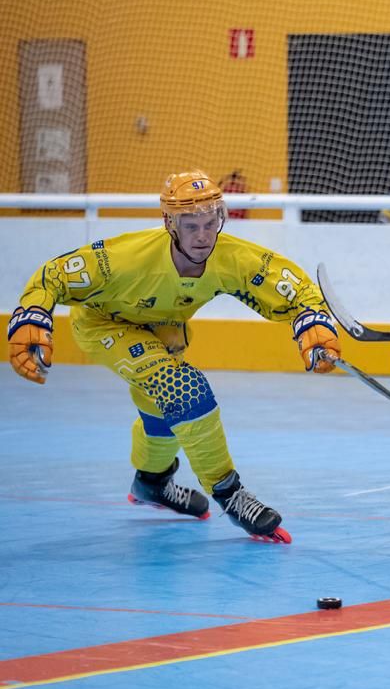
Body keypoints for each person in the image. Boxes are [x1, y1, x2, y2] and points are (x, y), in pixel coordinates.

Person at [6, 170, 343, 544]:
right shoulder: (122, 258)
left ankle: (151, 482)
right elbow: (52, 275)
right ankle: (230, 494)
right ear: (169, 223)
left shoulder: (230, 255)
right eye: (190, 225)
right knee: (184, 388)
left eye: (210, 223)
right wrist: (32, 316)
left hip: (165, 330)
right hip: (105, 325)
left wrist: (311, 320)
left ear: (221, 218)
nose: (202, 237)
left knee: (164, 411)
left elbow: (292, 287)